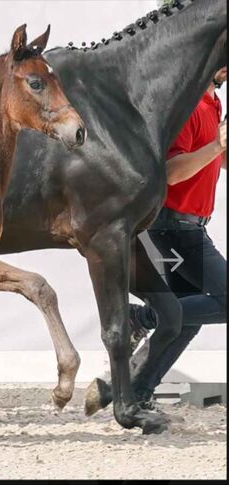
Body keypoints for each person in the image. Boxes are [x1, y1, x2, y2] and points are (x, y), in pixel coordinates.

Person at [129, 66, 227, 408]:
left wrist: (219, 148)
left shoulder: (213, 104)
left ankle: (138, 391)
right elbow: (172, 172)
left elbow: (217, 158)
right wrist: (217, 145)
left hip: (191, 227)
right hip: (173, 228)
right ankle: (142, 318)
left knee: (187, 320)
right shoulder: (188, 105)